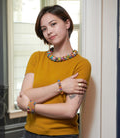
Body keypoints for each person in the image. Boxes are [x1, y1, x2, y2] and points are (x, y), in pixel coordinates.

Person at [17, 5, 91, 138]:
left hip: (63, 135)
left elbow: (69, 111)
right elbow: (25, 95)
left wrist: (31, 106)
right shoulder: (36, 58)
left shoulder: (81, 64)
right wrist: (60, 86)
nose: (49, 32)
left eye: (53, 24)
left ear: (67, 23)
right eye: (44, 29)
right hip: (30, 133)